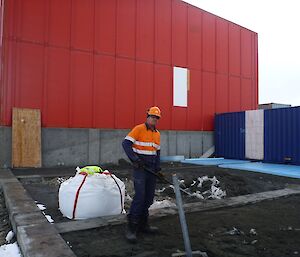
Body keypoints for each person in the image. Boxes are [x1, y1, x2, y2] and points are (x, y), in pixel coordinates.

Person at [122, 106, 162, 243]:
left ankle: (143, 225)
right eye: (152, 117)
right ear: (147, 116)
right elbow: (126, 144)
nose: (154, 119)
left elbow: (157, 152)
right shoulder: (138, 129)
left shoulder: (157, 134)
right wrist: (135, 160)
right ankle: (131, 228)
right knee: (140, 197)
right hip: (140, 169)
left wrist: (158, 168)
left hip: (151, 170)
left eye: (156, 118)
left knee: (149, 198)